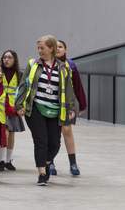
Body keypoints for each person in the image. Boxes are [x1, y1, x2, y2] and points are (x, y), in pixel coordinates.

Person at [15, 35, 76, 186]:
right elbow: (23, 85)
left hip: (55, 110)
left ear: (51, 48)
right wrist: (19, 104)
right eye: (38, 48)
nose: (39, 51)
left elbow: (68, 88)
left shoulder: (63, 67)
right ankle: (42, 172)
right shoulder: (33, 64)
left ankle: (47, 162)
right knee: (41, 140)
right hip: (35, 108)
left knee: (55, 143)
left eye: (42, 48)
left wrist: (70, 107)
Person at [49, 40, 87, 176]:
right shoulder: (48, 63)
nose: (58, 49)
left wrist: (82, 104)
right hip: (51, 103)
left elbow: (78, 86)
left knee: (67, 131)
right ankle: (50, 162)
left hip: (67, 104)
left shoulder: (71, 65)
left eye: (60, 47)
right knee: (52, 134)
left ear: (65, 49)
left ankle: (73, 163)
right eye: (56, 47)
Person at [0, 50, 25, 171]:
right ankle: (1, 160)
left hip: (14, 108)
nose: (6, 60)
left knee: (11, 134)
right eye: (4, 58)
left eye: (9, 57)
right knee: (5, 132)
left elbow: (23, 92)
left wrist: (21, 106)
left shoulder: (19, 74)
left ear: (15, 60)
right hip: (1, 107)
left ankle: (8, 160)